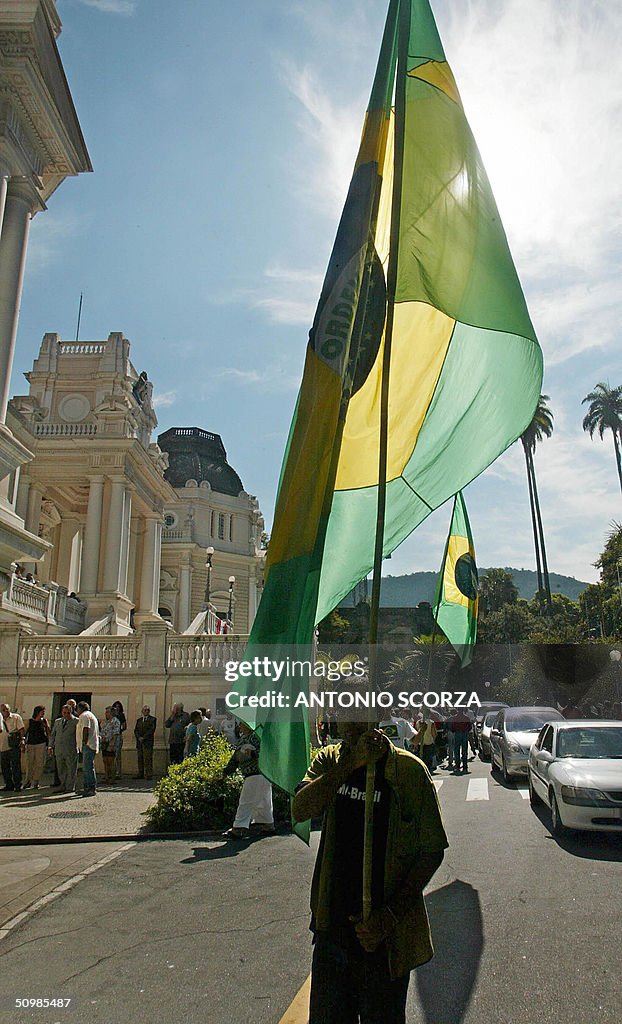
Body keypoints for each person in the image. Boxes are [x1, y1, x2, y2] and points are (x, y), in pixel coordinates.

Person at [292, 717, 448, 1024]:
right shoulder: (330, 761)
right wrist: (348, 766)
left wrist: (388, 916)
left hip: (384, 941)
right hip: (331, 933)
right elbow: (301, 809)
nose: (345, 724)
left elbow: (432, 850)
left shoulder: (409, 772)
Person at [222, 722, 274, 839]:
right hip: (259, 775)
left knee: (246, 801)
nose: (239, 726)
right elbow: (235, 758)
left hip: (256, 773)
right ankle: (268, 825)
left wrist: (253, 753)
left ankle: (239, 828)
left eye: (242, 723)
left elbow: (267, 751)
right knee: (264, 801)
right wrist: (227, 771)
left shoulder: (257, 737)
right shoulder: (242, 739)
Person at [48, 706, 78, 792]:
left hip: (70, 748)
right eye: (64, 713)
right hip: (59, 749)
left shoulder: (76, 721)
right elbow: (53, 735)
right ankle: (62, 785)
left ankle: (70, 787)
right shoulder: (58, 722)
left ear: (71, 712)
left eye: (68, 713)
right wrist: (50, 746)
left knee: (71, 769)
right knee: (60, 768)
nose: (66, 715)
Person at [75, 701, 99, 796]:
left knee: (88, 768)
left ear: (80, 708)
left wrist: (84, 742)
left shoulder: (84, 716)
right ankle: (87, 787)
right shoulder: (90, 715)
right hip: (90, 744)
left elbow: (86, 729)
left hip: (88, 745)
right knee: (87, 767)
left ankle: (90, 788)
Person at [23, 706, 50, 789]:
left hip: (41, 744)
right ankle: (28, 781)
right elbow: (24, 733)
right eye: (42, 712)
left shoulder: (44, 721)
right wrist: (23, 742)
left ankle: (36, 781)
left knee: (39, 763)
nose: (43, 714)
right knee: (29, 763)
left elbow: (48, 732)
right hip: (31, 744)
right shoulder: (30, 721)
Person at [0, 703, 25, 792]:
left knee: (15, 766)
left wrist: (22, 740)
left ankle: (18, 785)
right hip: (3, 746)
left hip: (13, 745)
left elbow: (21, 729)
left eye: (6, 709)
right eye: (3, 710)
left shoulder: (16, 717)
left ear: (9, 709)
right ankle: (9, 784)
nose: (5, 711)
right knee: (5, 767)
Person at [134, 705, 157, 779]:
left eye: (148, 710)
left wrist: (144, 737)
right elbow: (136, 730)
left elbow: (151, 730)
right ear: (142, 711)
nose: (146, 711)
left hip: (148, 742)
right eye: (145, 710)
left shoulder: (152, 719)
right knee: (140, 758)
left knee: (148, 758)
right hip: (139, 742)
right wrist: (139, 737)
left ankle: (148, 774)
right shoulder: (139, 720)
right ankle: (141, 773)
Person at [100, 707, 121, 784]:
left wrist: (112, 744)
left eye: (107, 712)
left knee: (111, 761)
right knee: (105, 760)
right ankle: (106, 777)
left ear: (111, 713)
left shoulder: (115, 721)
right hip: (104, 743)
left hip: (111, 744)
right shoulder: (106, 722)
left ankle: (112, 778)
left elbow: (116, 733)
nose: (106, 714)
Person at [451, 708, 472, 774]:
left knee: (456, 750)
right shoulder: (466, 718)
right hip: (464, 734)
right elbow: (470, 727)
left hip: (457, 734)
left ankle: (457, 765)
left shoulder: (455, 718)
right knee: (464, 751)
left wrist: (454, 730)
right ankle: (465, 766)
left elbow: (452, 726)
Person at [110, 701, 127, 779]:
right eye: (116, 706)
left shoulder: (121, 715)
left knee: (117, 754)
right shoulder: (111, 716)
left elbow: (124, 726)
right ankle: (111, 772)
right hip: (111, 736)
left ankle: (118, 772)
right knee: (110, 755)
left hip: (118, 735)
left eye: (118, 707)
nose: (117, 708)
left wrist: (119, 731)